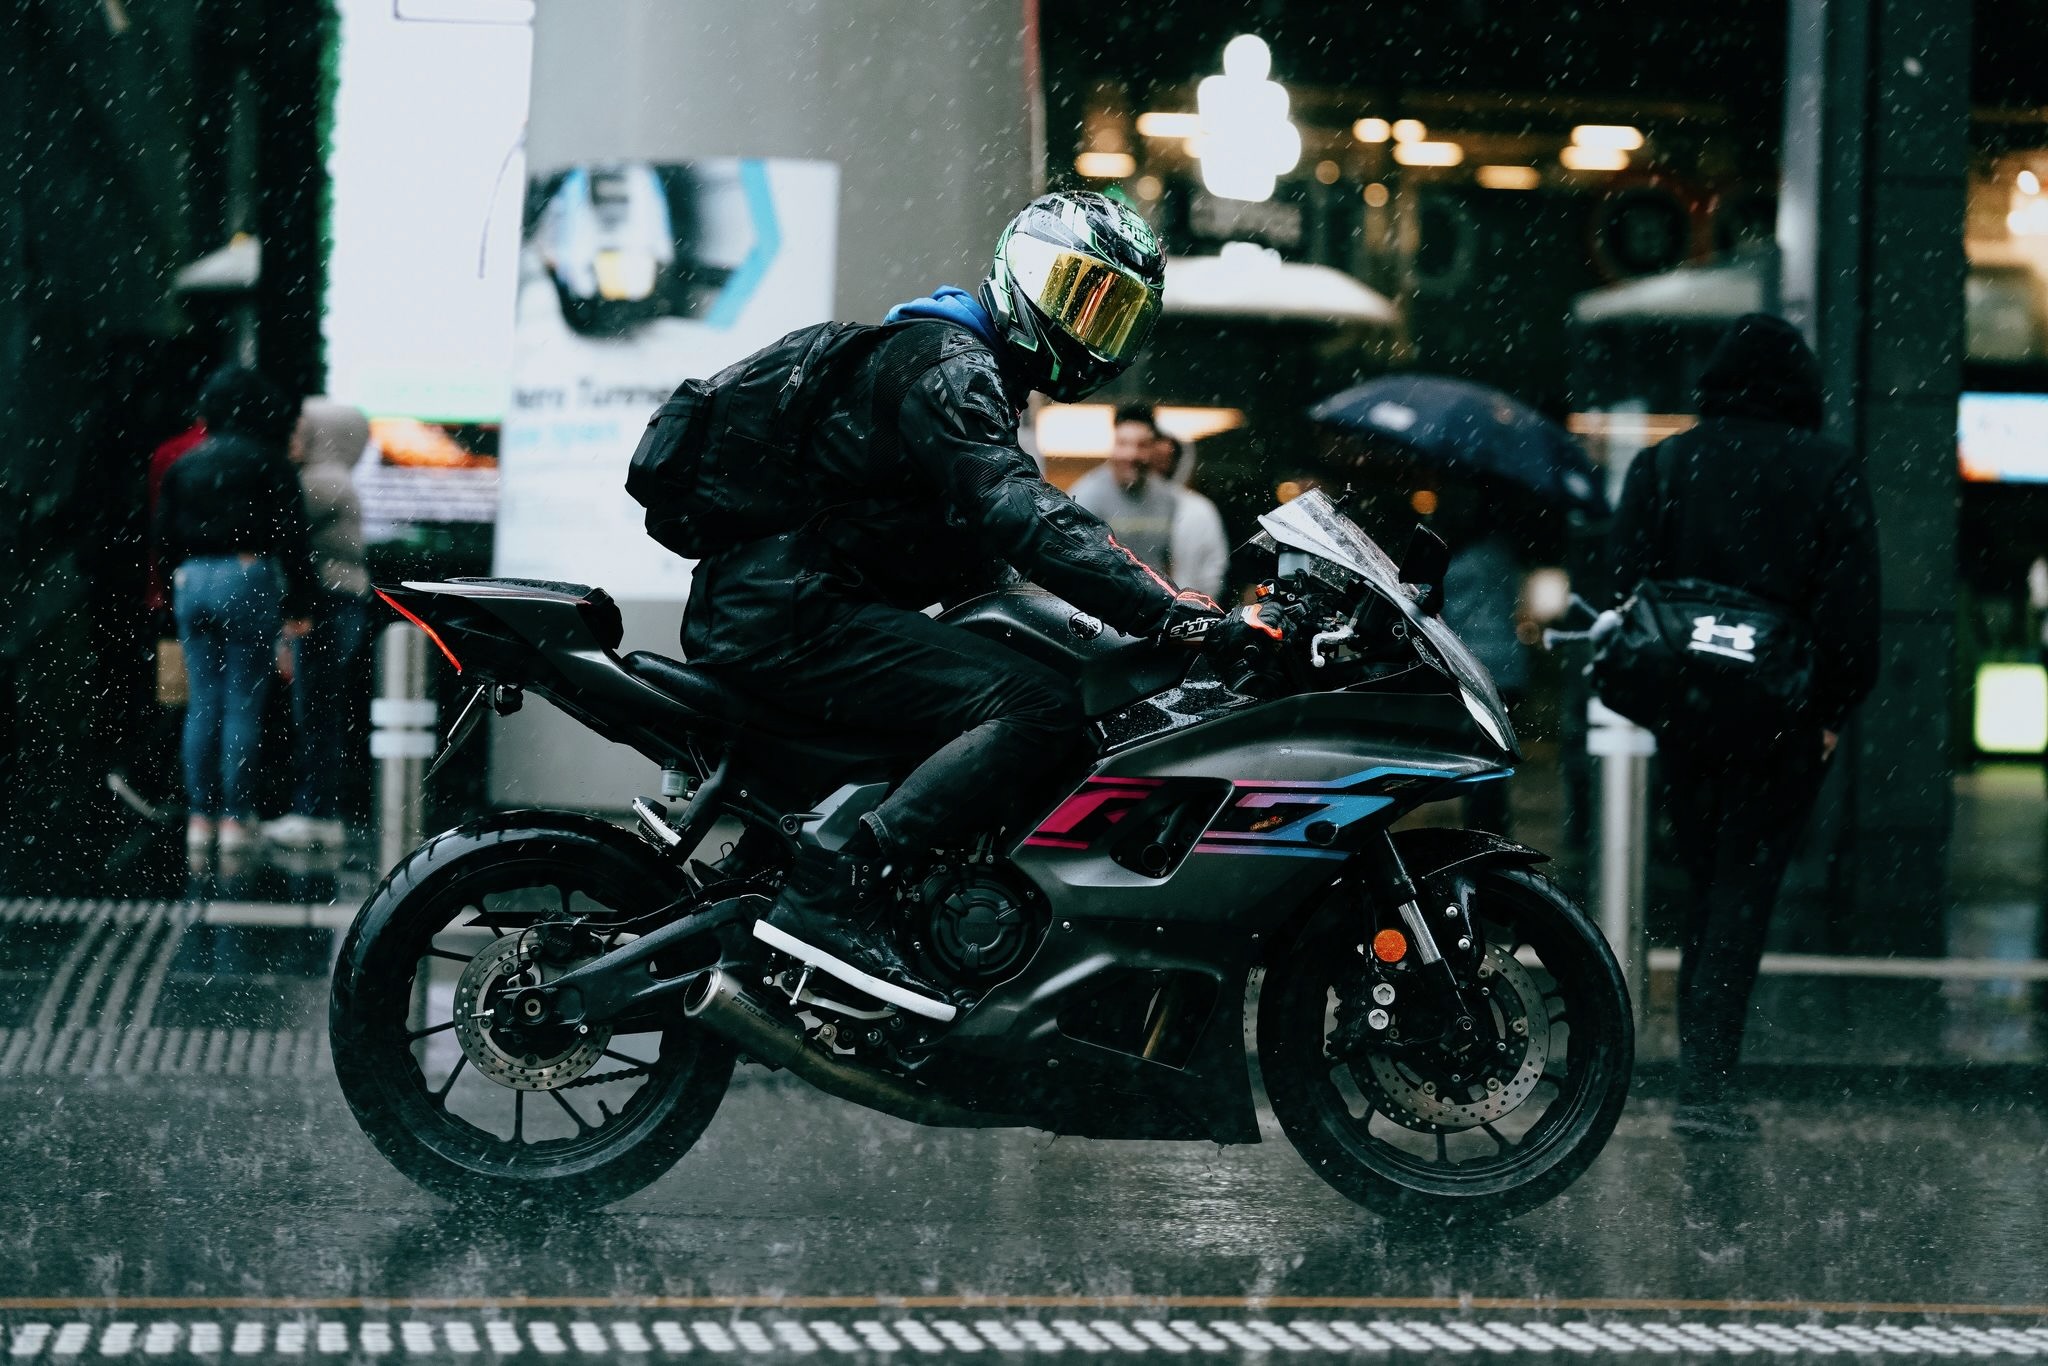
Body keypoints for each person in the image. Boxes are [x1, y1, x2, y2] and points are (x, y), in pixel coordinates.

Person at [681, 192, 1226, 1015]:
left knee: (1011, 675)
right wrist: (1167, 609)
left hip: (788, 607)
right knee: (1039, 707)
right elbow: (1017, 510)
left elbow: (980, 554)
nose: (1089, 329)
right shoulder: (948, 364)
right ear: (1024, 272)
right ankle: (839, 885)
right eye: (1079, 295)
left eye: (1113, 315)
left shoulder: (962, 368)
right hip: (792, 614)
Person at [1607, 312, 1881, 1141]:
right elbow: (1854, 607)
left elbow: (1627, 584)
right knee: (1745, 892)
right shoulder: (1830, 469)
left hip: (1690, 713)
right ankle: (1710, 1088)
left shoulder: (1666, 464)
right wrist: (1832, 709)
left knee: (1701, 892)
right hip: (1784, 718)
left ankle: (1702, 1076)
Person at [156, 366, 318, 859]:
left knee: (202, 702)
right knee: (243, 703)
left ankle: (199, 819)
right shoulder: (267, 462)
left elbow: (162, 536)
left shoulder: (185, 464)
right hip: (245, 575)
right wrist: (300, 605)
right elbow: (292, 538)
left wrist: (175, 580)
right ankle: (233, 819)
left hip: (191, 578)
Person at [262, 398, 373, 849]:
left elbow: (267, 523)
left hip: (326, 604)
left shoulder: (318, 483)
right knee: (320, 709)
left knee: (316, 710)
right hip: (337, 603)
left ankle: (317, 812)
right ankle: (316, 808)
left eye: (303, 430)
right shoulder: (334, 480)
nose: (293, 437)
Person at [1070, 405, 1230, 600]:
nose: (1131, 454)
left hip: (1154, 612)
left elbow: (1173, 562)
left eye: (1141, 445)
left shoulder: (1169, 499)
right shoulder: (1086, 495)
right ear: (1113, 445)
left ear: (1152, 449)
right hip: (1104, 610)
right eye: (1123, 443)